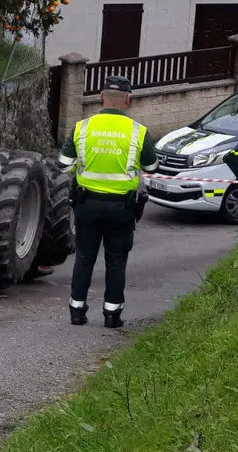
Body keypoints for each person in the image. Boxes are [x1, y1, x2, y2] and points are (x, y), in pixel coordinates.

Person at [58, 75, 158, 328]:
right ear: (128, 99)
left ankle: (76, 311)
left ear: (102, 97)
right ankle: (112, 315)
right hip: (121, 208)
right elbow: (151, 166)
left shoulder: (82, 128)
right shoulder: (138, 132)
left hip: (86, 205)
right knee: (116, 260)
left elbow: (63, 165)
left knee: (84, 257)